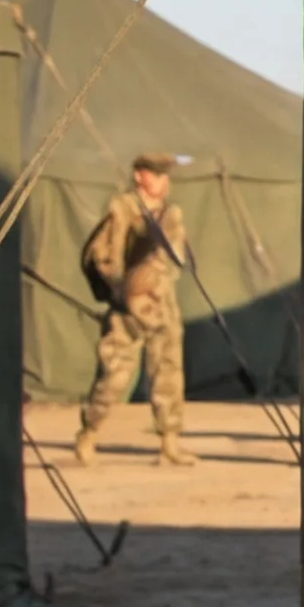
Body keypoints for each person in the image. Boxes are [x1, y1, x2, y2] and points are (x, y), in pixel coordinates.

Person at [77, 152, 197, 466]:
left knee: (168, 374)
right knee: (114, 375)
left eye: (165, 176)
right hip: (128, 309)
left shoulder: (171, 214)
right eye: (157, 175)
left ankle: (169, 442)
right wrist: (121, 288)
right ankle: (88, 433)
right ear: (140, 176)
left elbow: (172, 260)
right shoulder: (122, 209)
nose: (163, 182)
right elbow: (102, 254)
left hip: (162, 307)